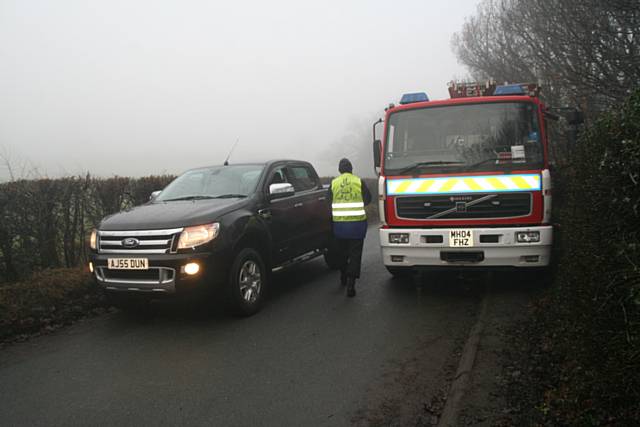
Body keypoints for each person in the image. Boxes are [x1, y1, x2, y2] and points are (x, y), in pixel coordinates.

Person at [329, 158, 372, 297]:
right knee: (355, 255)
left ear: (339, 170)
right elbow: (368, 199)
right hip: (357, 226)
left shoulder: (334, 183)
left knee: (342, 253)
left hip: (340, 226)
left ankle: (343, 276)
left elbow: (328, 201)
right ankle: (351, 285)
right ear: (351, 169)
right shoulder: (358, 182)